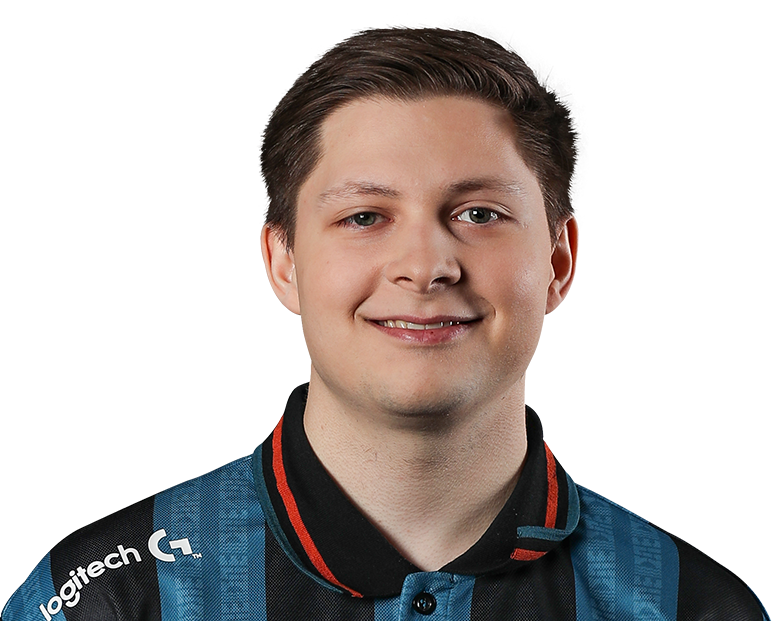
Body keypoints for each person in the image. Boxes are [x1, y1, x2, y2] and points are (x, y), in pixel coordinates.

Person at [2, 15, 767, 621]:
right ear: (284, 262)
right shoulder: (107, 599)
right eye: (365, 216)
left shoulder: (691, 606)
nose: (426, 265)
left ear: (560, 261)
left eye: (479, 212)